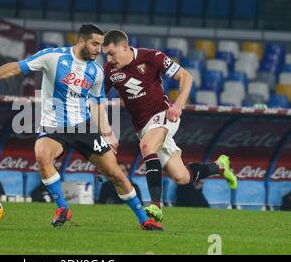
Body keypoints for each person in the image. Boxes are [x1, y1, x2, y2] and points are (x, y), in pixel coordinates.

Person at [0, 24, 162, 231]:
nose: (98, 50)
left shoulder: (97, 72)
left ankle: (144, 219)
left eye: (100, 45)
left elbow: (98, 104)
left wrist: (108, 133)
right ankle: (62, 208)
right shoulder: (53, 57)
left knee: (116, 174)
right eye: (94, 44)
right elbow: (15, 67)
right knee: (42, 153)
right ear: (81, 41)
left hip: (83, 127)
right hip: (54, 126)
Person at [102, 30, 238, 222]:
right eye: (105, 54)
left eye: (111, 53)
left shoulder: (151, 57)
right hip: (143, 127)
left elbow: (186, 77)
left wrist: (178, 105)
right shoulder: (109, 70)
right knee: (181, 177)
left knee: (147, 147)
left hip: (164, 115)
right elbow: (97, 98)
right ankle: (220, 167)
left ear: (124, 46)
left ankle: (156, 205)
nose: (109, 58)